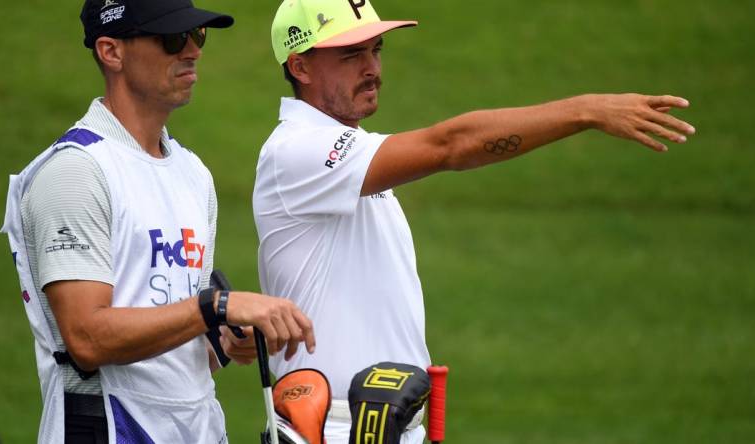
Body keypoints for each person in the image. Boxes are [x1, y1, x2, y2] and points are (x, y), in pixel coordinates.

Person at [252, 0, 697, 442]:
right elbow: (451, 145)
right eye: (351, 54)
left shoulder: (348, 153)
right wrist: (586, 111)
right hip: (331, 430)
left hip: (384, 425)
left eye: (377, 48)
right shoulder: (298, 151)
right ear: (301, 67)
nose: (372, 67)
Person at [0, 0, 315, 442]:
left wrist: (225, 340)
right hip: (108, 428)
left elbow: (181, 337)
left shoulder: (193, 173)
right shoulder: (75, 172)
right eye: (172, 39)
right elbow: (87, 340)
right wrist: (216, 307)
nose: (193, 51)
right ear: (111, 52)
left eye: (197, 35)